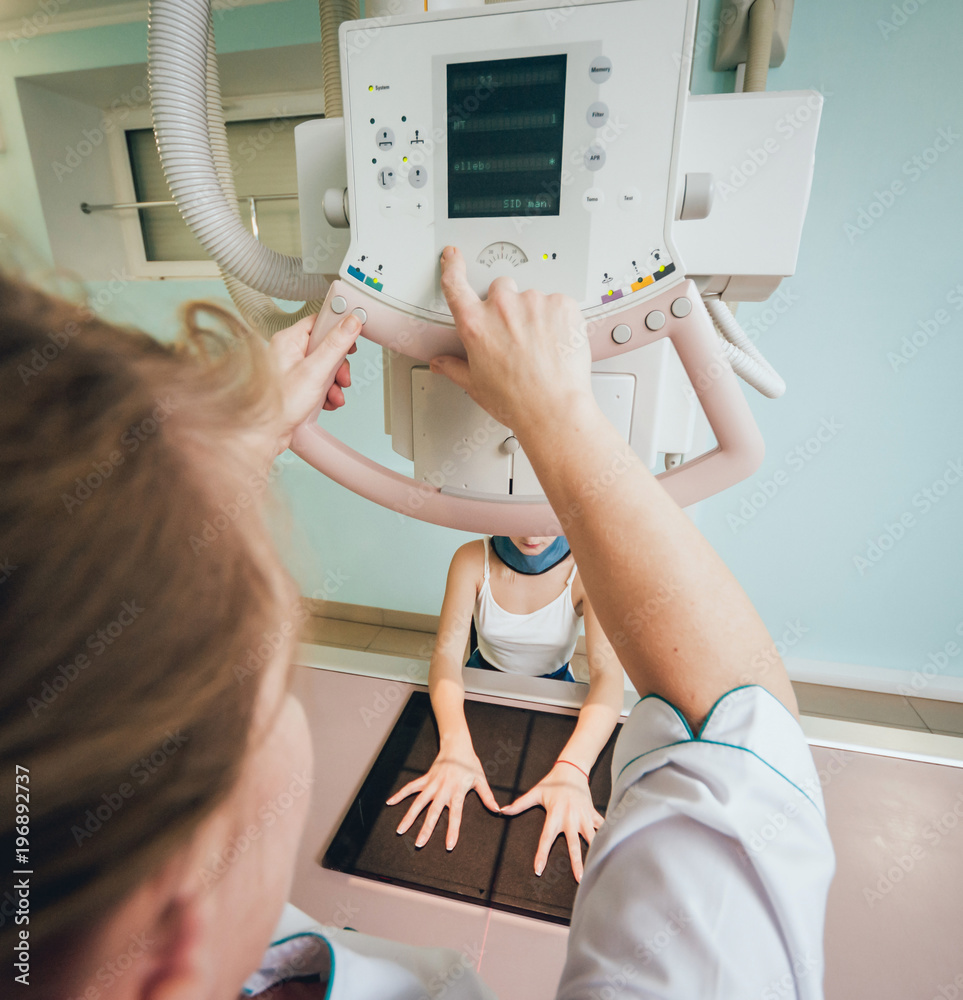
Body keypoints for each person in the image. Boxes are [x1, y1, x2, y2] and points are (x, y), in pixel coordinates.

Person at [0, 242, 834, 1000]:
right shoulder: (471, 565)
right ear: (172, 934)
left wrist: (219, 448)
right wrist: (558, 417)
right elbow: (734, 734)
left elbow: (611, 679)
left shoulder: (76, 936)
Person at [387, 533, 624, 882]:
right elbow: (446, 657)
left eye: (545, 518)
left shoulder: (588, 568)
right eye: (520, 519)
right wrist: (454, 745)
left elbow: (608, 678)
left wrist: (574, 768)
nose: (531, 535)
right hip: (481, 687)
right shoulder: (471, 558)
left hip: (553, 692)